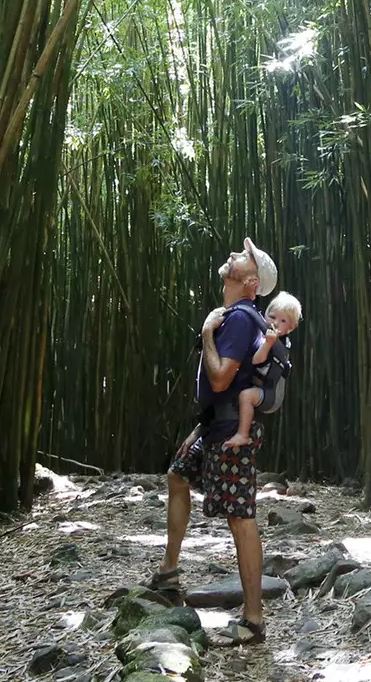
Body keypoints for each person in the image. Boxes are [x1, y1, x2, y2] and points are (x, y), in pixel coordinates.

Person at [153, 239, 276, 644]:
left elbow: (221, 377)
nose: (233, 256)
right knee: (177, 476)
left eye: (242, 257)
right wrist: (198, 430)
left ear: (251, 282)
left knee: (240, 517)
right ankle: (169, 570)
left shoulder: (240, 319)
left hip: (232, 437)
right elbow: (222, 388)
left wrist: (207, 331)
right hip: (214, 428)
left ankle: (254, 619)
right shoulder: (237, 315)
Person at [222, 291, 301, 449]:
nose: (276, 323)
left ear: (291, 328)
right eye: (272, 317)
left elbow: (257, 360)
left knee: (246, 396)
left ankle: (242, 435)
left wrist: (268, 344)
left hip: (271, 396)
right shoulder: (264, 335)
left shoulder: (278, 344)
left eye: (283, 321)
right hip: (262, 386)